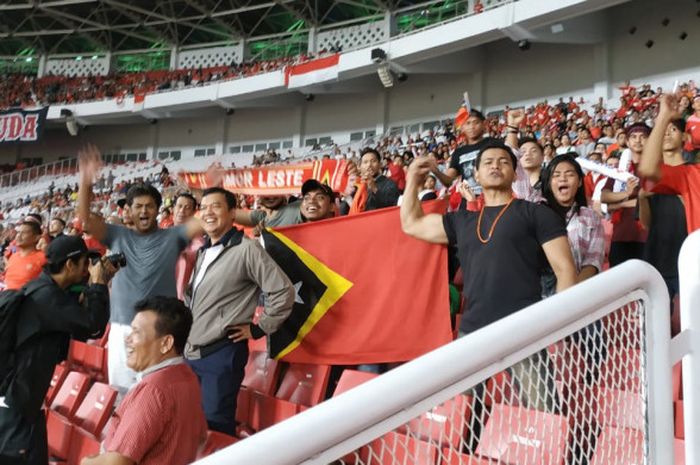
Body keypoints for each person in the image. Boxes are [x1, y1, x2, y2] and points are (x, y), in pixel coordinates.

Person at [401, 140, 576, 412]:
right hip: (472, 330)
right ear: (477, 175)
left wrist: (554, 325)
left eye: (504, 161)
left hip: (524, 329)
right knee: (461, 413)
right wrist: (412, 179)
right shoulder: (463, 221)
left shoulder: (536, 214)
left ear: (515, 173)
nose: (496, 165)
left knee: (545, 414)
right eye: (488, 162)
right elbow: (412, 224)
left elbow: (565, 270)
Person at [77, 145, 202, 393]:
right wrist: (86, 181)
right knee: (122, 395)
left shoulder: (174, 236)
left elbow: (203, 220)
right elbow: (85, 218)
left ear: (158, 209)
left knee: (156, 393)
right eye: (138, 206)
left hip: (160, 327)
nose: (144, 211)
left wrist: (199, 189)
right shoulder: (115, 235)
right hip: (122, 326)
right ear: (129, 211)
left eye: (149, 206)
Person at [184, 187, 294, 435]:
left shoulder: (247, 249)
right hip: (192, 353)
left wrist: (258, 328)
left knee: (215, 429)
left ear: (232, 213)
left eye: (216, 206)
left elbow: (283, 292)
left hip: (221, 353)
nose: (208, 212)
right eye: (204, 207)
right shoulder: (203, 252)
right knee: (191, 425)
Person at [0, 236, 113, 465]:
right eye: (84, 263)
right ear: (69, 265)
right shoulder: (47, 298)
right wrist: (99, 284)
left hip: (25, 396)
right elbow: (93, 326)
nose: (86, 270)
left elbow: (79, 333)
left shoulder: (42, 290)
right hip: (19, 400)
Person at [81, 297, 207, 465]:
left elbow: (116, 463)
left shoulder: (153, 390)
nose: (128, 339)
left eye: (136, 332)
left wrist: (86, 461)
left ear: (166, 343)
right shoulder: (187, 378)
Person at [539, 154, 605, 297]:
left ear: (580, 181)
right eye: (556, 175)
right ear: (549, 182)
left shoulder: (591, 217)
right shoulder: (537, 212)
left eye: (569, 174)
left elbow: (593, 260)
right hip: (539, 297)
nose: (563, 178)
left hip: (579, 295)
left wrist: (571, 293)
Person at [638, 117, 687, 303]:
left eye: (673, 129)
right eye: (663, 129)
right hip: (657, 259)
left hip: (689, 260)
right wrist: (642, 199)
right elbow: (645, 224)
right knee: (656, 325)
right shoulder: (650, 176)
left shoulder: (693, 172)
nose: (666, 133)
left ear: (685, 136)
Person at [600, 123, 649, 266]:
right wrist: (627, 193)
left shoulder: (654, 169)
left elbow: (649, 200)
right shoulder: (619, 170)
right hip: (620, 235)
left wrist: (619, 204)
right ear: (627, 142)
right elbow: (604, 197)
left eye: (642, 137)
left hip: (646, 236)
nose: (638, 140)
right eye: (633, 137)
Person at [430, 109, 490, 197]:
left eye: (476, 122)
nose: (472, 126)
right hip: (468, 202)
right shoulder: (458, 152)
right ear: (463, 127)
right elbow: (448, 181)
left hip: (492, 199)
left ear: (483, 124)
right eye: (468, 123)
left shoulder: (493, 144)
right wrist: (435, 171)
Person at [236, 179, 336, 230]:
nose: (271, 196)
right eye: (266, 192)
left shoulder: (296, 207)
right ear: (258, 195)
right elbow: (230, 213)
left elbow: (317, 210)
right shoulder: (261, 216)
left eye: (275, 191)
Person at [348, 148, 400, 214]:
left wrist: (374, 188)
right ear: (360, 167)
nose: (369, 165)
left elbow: (393, 205)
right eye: (365, 162)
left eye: (373, 161)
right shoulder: (357, 186)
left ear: (380, 164)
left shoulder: (389, 183)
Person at [172, 192, 203, 301]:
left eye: (187, 208)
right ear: (173, 208)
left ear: (194, 212)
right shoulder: (161, 235)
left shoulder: (198, 243)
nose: (181, 211)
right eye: (179, 206)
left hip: (184, 303)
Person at [4, 219, 46, 291]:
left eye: (23, 233)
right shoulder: (14, 256)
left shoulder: (43, 258)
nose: (18, 236)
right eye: (18, 232)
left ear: (36, 237)